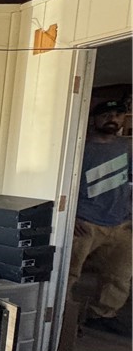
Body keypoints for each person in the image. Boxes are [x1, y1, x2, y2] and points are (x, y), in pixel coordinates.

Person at [67, 98, 132, 335]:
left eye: (117, 115)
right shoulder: (79, 149)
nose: (112, 119)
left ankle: (102, 314)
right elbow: (62, 185)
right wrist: (70, 217)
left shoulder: (127, 148)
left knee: (119, 276)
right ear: (95, 119)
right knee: (70, 273)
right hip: (86, 223)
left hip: (121, 224)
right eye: (106, 115)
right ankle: (64, 318)